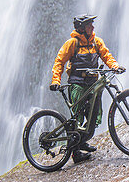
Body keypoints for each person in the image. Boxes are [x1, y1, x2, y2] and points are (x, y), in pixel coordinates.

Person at [50, 14, 123, 161]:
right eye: (90, 25)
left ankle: (82, 141)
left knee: (94, 116)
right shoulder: (72, 43)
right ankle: (75, 153)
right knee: (78, 116)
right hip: (77, 84)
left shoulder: (96, 42)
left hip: (93, 84)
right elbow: (60, 61)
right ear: (82, 28)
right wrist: (56, 80)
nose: (93, 27)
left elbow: (106, 55)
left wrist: (114, 66)